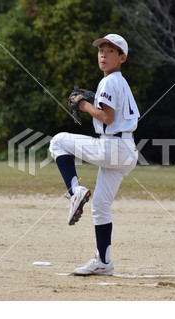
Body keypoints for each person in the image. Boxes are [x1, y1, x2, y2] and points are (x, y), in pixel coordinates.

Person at [49, 34, 139, 276]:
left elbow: (107, 118)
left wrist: (84, 106)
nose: (103, 54)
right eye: (101, 49)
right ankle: (103, 262)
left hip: (113, 146)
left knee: (58, 142)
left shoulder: (110, 81)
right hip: (126, 149)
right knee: (100, 206)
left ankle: (74, 191)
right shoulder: (119, 82)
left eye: (111, 51)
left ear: (122, 58)